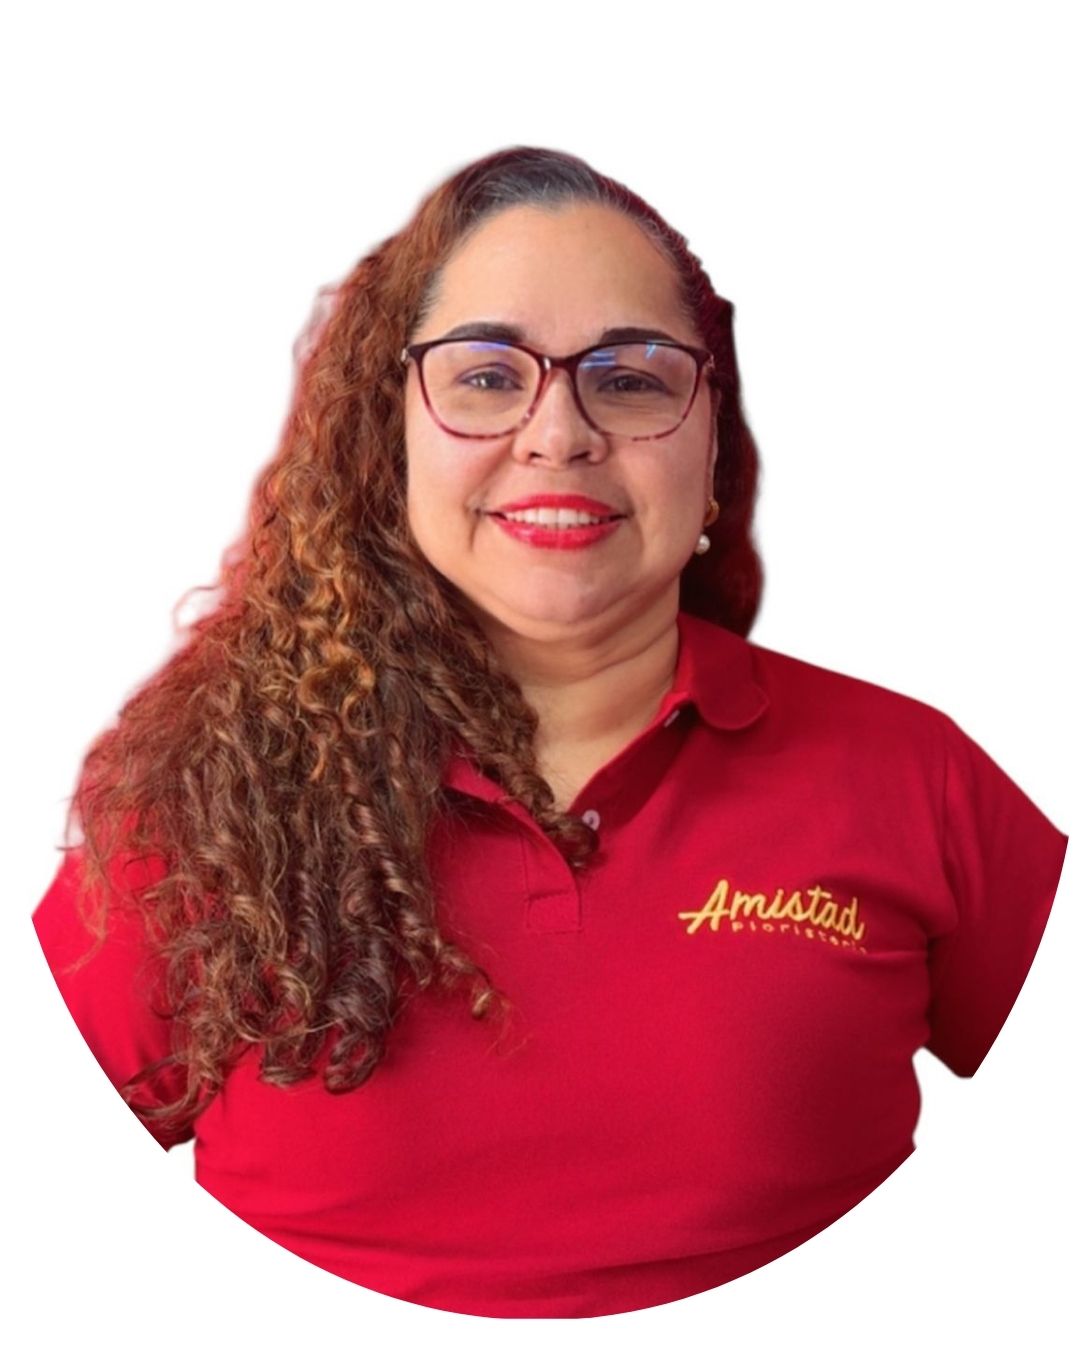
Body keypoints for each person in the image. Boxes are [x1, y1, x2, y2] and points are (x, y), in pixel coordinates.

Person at [30, 144, 1069, 1319]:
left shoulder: (916, 776)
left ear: (711, 446)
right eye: (486, 376)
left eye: (630, 379)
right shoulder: (205, 803)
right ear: (390, 438)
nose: (559, 432)